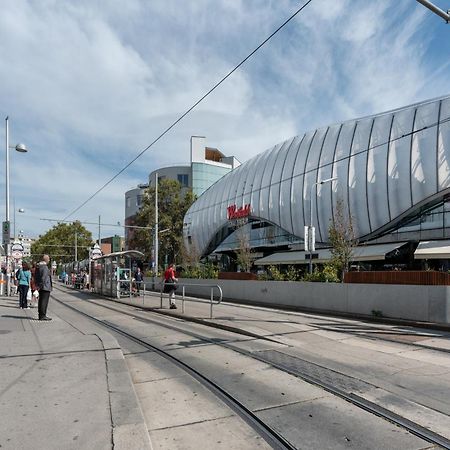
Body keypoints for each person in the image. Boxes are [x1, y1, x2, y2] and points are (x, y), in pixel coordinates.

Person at [35, 255, 52, 321]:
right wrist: (41, 285)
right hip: (45, 287)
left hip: (41, 287)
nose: (49, 260)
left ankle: (40, 315)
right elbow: (44, 278)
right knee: (44, 301)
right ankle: (43, 315)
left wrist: (38, 285)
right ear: (46, 260)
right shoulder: (44, 267)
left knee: (41, 301)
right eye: (48, 259)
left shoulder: (38, 266)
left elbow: (36, 277)